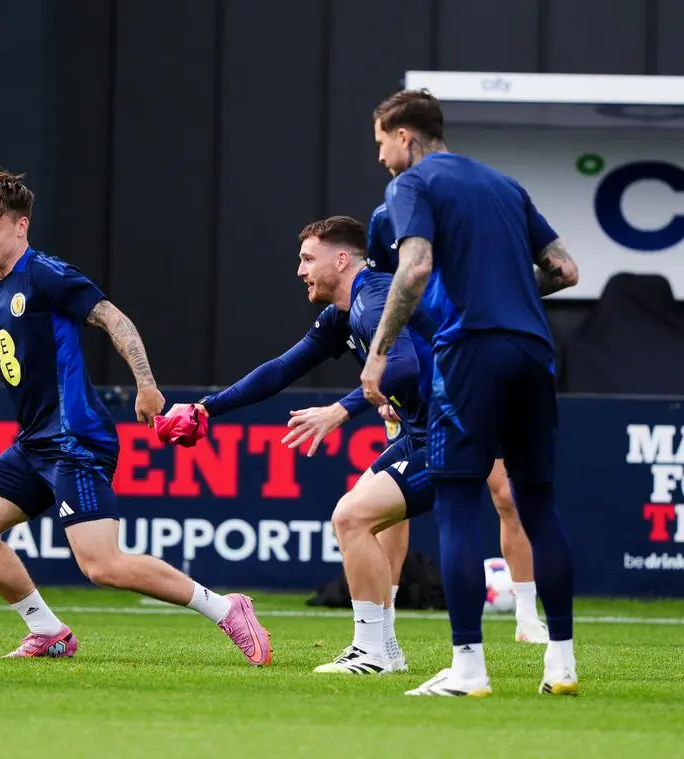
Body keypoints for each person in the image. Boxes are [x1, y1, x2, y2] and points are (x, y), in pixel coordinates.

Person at [0, 169, 271, 665]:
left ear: (21, 225)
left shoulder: (47, 275)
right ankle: (48, 632)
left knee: (101, 565)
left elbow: (114, 319)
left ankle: (227, 608)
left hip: (76, 440)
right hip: (35, 443)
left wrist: (147, 386)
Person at [360, 89, 580, 697]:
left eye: (380, 142)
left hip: (470, 351)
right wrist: (511, 292)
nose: (379, 157)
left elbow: (416, 267)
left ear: (405, 135)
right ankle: (560, 665)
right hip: (534, 350)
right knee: (538, 503)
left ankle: (468, 669)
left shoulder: (412, 186)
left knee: (458, 503)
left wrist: (378, 352)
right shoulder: (506, 185)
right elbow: (565, 270)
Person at [174, 215, 432, 675]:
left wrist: (340, 410)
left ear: (341, 258)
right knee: (355, 517)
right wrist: (207, 409)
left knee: (351, 517)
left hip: (449, 433)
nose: (300, 270)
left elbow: (405, 366)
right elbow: (281, 369)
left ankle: (375, 650)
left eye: (308, 258)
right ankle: (384, 650)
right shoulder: (341, 314)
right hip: (421, 431)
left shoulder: (372, 300)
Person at [366, 202, 549, 644]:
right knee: (388, 503)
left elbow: (541, 279)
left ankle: (526, 616)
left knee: (507, 493)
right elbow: (384, 299)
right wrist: (392, 380)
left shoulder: (481, 224)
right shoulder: (385, 221)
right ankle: (383, 623)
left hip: (485, 371)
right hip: (425, 380)